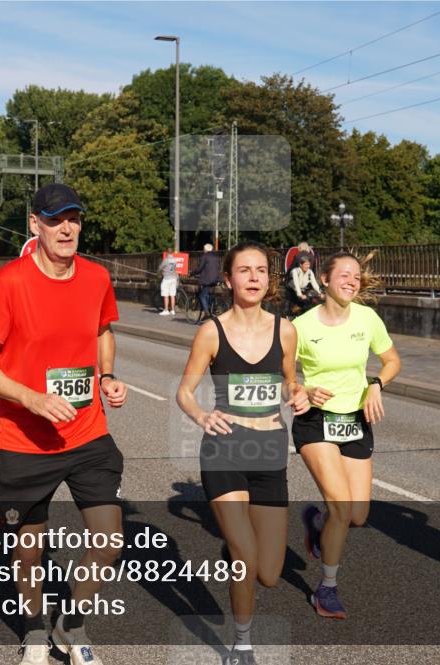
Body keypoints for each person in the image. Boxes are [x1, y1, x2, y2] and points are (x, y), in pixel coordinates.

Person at [0, 183, 128, 665]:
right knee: (28, 554)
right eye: (55, 219)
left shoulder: (97, 277)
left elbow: (103, 331)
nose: (67, 228)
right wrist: (30, 398)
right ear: (35, 224)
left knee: (108, 542)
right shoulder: (11, 282)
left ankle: (71, 625)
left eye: (73, 218)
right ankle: (34, 630)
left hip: (87, 433)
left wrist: (109, 376)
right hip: (24, 441)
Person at [176, 241, 309, 665]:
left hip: (269, 450)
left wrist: (298, 393)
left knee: (269, 574)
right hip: (225, 449)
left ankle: (243, 556)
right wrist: (200, 415)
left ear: (269, 280)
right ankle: (243, 642)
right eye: (245, 270)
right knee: (245, 559)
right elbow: (184, 391)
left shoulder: (285, 329)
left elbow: (289, 380)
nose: (254, 277)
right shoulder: (211, 331)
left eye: (261, 271)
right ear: (229, 278)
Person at [293, 251, 401, 620]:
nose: (352, 281)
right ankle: (327, 589)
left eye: (357, 276)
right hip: (315, 420)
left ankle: (317, 523)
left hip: (355, 419)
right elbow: (281, 376)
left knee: (356, 515)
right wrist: (301, 390)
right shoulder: (302, 327)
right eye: (345, 275)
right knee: (341, 506)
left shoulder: (367, 318)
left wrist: (376, 384)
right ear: (324, 279)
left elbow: (392, 361)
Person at [191, 243, 221, 323]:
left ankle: (207, 313)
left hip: (208, 279)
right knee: (208, 293)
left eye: (203, 249)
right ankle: (212, 308)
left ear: (205, 250)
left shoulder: (205, 256)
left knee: (202, 296)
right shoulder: (216, 257)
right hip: (216, 279)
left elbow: (199, 268)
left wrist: (192, 273)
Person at [158, 247, 179, 316]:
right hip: (174, 278)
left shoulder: (166, 260)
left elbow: (160, 268)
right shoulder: (175, 260)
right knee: (172, 295)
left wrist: (159, 272)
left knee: (166, 295)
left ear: (167, 252)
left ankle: (166, 310)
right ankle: (172, 310)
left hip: (167, 278)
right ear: (172, 252)